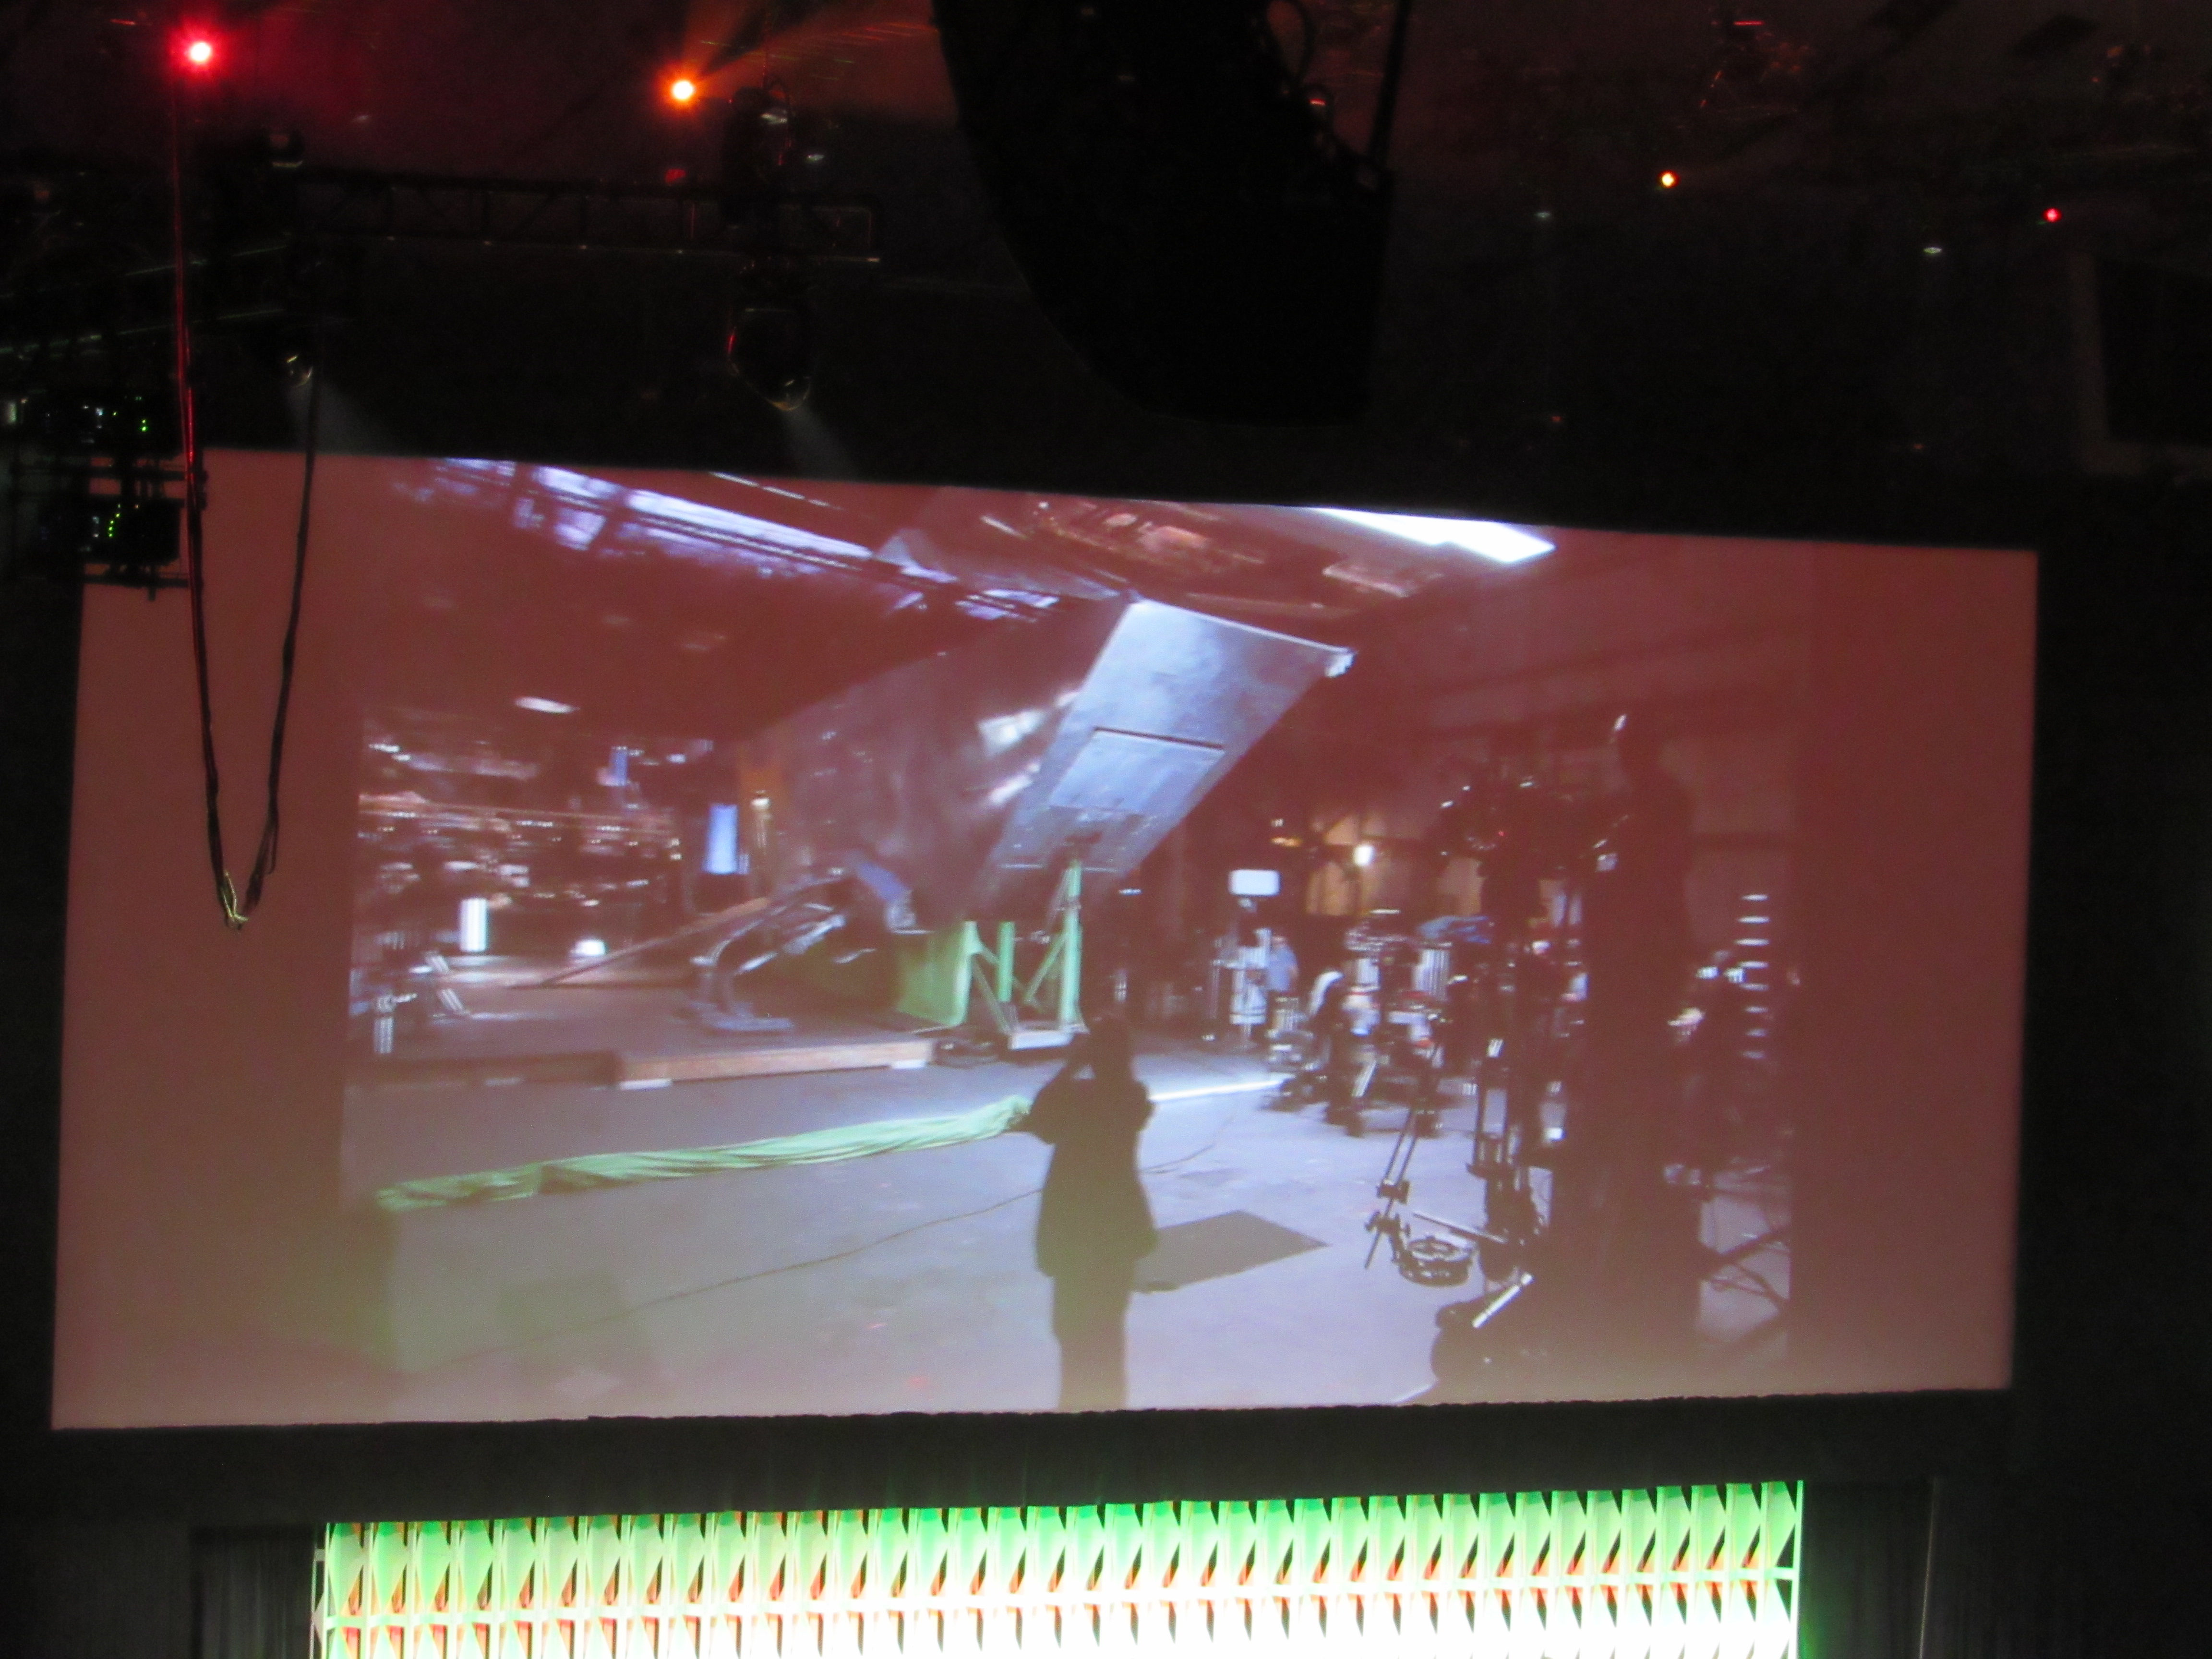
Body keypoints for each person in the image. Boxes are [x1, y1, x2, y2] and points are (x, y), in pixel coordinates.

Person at [1022, 1017, 1157, 1410]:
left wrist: (1071, 1066)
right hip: (1117, 1231)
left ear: (1092, 1054)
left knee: (1073, 1335)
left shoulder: (1077, 1096)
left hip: (1074, 1229)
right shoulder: (1133, 1096)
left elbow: (1039, 1124)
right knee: (1108, 1333)